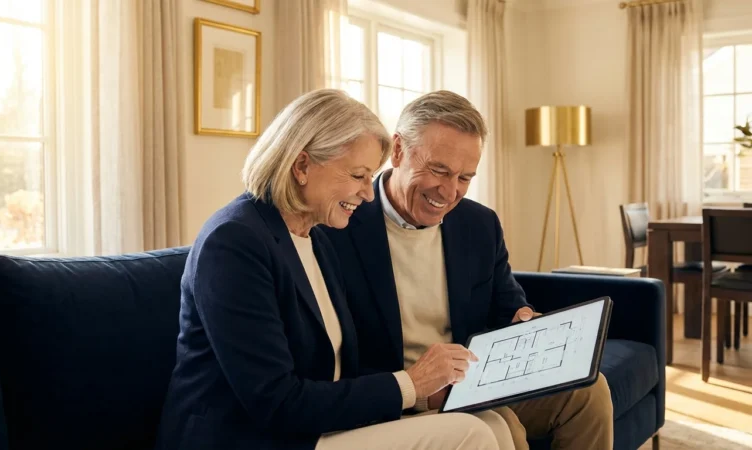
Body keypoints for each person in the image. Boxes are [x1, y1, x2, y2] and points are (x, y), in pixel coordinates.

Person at [153, 89, 514, 450]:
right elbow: (276, 402)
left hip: (321, 425)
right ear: (302, 166)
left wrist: (425, 395)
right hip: (257, 437)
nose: (369, 194)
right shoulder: (234, 242)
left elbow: (341, 369)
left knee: (491, 423)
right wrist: (411, 383)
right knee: (472, 434)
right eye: (358, 176)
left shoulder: (316, 238)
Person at [321, 90, 614, 450]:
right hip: (401, 389)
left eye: (465, 177)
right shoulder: (339, 222)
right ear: (397, 150)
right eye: (439, 170)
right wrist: (420, 390)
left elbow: (507, 304)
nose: (449, 191)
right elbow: (334, 357)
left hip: (473, 379)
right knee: (505, 429)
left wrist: (522, 322)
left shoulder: (479, 223)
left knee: (589, 390)